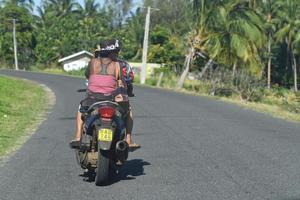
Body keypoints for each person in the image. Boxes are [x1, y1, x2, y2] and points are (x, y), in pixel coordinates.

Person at [70, 39, 140, 149]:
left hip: (92, 99)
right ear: (113, 52)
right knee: (128, 111)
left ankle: (78, 136)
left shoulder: (92, 62)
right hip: (110, 100)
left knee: (80, 109)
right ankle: (128, 139)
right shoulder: (118, 65)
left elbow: (88, 76)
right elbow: (122, 82)